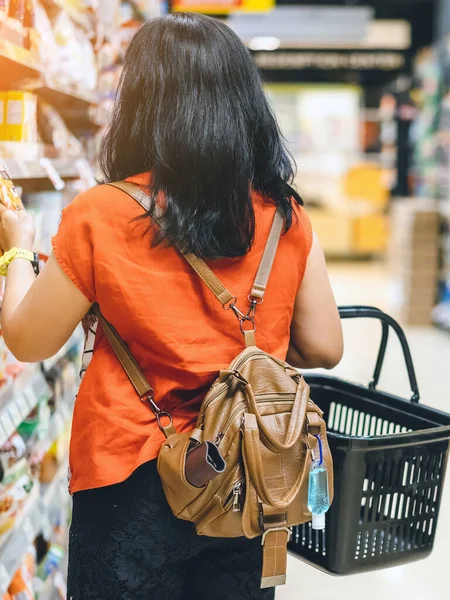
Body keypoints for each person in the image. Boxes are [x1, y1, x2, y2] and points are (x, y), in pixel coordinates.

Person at [0, 12, 343, 600]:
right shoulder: (285, 214)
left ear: (140, 105)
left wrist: (18, 251)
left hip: (128, 481)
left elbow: (28, 339)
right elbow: (325, 348)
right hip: (246, 476)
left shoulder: (103, 213)